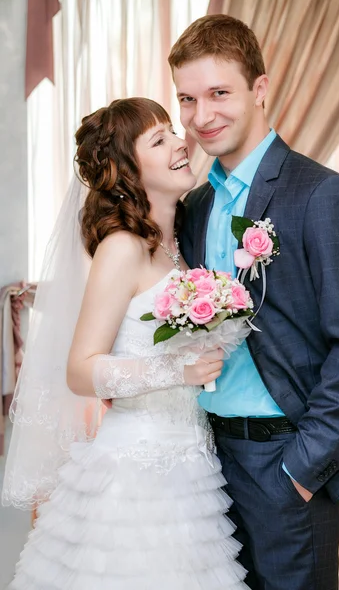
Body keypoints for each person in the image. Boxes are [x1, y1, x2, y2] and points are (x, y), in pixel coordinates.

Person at [169, 14, 339, 590]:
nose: (202, 117)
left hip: (284, 458)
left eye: (219, 93)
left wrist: (301, 468)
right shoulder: (194, 207)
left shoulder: (321, 194)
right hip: (208, 461)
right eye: (187, 99)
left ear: (260, 89)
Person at [2, 97, 250, 589]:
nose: (182, 143)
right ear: (127, 171)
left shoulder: (177, 242)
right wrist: (178, 371)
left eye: (172, 132)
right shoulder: (123, 246)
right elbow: (80, 369)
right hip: (135, 473)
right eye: (159, 140)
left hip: (193, 466)